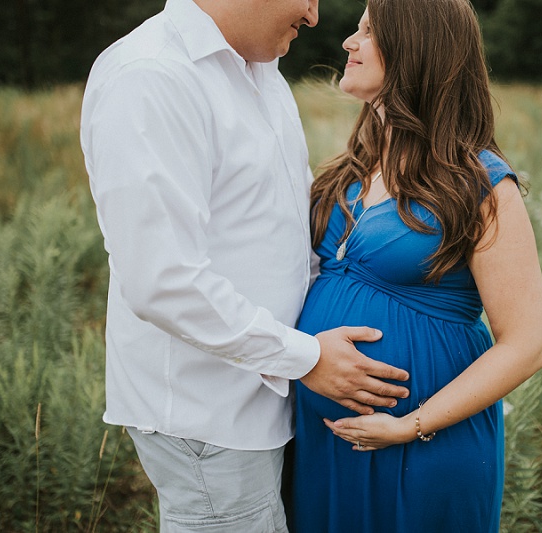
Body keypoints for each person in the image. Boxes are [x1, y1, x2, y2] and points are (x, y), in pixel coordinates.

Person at [79, 0, 411, 531]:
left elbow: (281, 230)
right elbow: (163, 281)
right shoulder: (152, 76)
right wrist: (304, 357)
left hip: (268, 397)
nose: (314, 16)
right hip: (211, 413)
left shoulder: (258, 71)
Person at [290, 0, 542, 531]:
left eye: (367, 30)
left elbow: (527, 344)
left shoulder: (479, 183)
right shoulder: (348, 169)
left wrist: (411, 426)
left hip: (425, 443)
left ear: (414, 48)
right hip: (324, 440)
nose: (348, 42)